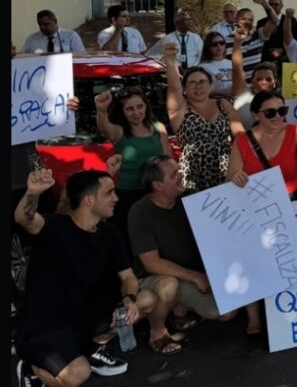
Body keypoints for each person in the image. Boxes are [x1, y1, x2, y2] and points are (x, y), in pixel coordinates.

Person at [14, 169, 179, 387]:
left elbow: (128, 276)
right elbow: (24, 218)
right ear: (89, 200)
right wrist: (32, 193)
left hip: (85, 314)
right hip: (46, 324)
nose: (116, 198)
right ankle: (31, 368)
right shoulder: (54, 226)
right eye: (110, 193)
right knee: (78, 374)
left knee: (146, 299)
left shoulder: (110, 232)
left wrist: (129, 299)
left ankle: (89, 348)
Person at [227, 92, 297, 335]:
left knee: (292, 260)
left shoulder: (295, 132)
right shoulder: (241, 141)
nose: (278, 117)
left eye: (282, 111)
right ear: (255, 115)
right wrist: (236, 177)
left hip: (291, 203)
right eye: (270, 113)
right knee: (255, 262)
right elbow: (232, 176)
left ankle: (294, 308)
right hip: (256, 208)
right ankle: (254, 318)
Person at [127, 156, 239, 336]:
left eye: (179, 170)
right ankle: (158, 332)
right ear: (157, 185)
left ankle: (179, 305)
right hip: (158, 277)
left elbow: (221, 214)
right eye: (174, 174)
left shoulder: (190, 197)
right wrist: (195, 277)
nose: (181, 175)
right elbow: (151, 263)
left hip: (190, 274)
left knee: (228, 312)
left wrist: (234, 182)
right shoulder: (139, 212)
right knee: (168, 286)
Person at [163, 43, 244, 192]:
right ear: (185, 89)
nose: (197, 86)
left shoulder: (223, 104)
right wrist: (170, 59)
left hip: (226, 171)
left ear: (211, 85)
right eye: (192, 83)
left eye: (202, 82)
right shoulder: (180, 110)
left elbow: (240, 136)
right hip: (192, 176)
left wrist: (238, 167)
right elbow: (174, 87)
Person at [94, 88, 173, 231]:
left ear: (146, 106)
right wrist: (101, 110)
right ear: (122, 111)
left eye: (140, 106)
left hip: (156, 192)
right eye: (129, 109)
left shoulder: (159, 128)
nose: (136, 112)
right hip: (127, 196)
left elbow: (168, 161)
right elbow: (105, 128)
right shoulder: (119, 131)